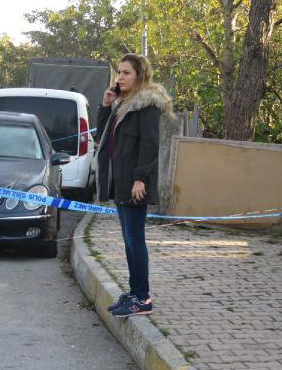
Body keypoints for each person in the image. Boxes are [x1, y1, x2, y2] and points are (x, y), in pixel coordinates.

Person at [95, 53, 174, 318]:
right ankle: (134, 292)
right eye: (119, 72)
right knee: (129, 241)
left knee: (135, 240)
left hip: (134, 184)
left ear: (140, 75)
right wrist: (106, 105)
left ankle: (143, 298)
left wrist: (141, 178)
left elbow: (150, 145)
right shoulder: (123, 104)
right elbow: (105, 136)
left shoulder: (146, 106)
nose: (120, 77)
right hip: (121, 183)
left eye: (126, 72)